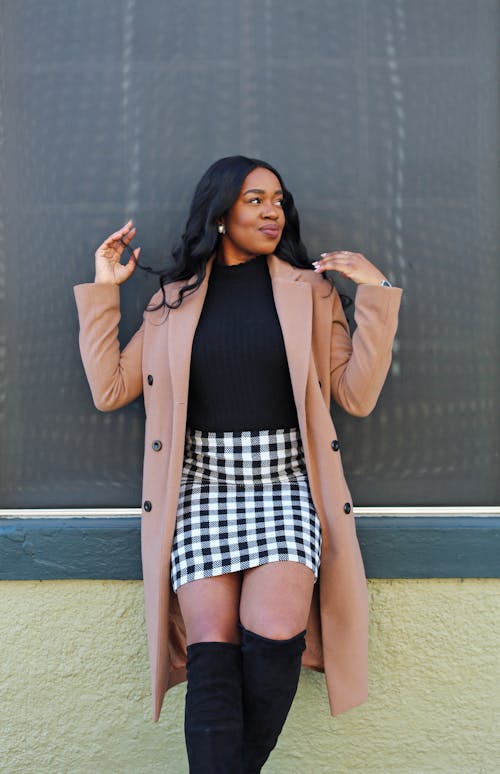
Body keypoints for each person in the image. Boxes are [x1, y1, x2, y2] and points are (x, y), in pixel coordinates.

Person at [74, 155, 403, 773]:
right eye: (254, 200)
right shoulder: (173, 300)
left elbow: (355, 395)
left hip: (282, 485)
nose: (271, 210)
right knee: (212, 656)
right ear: (221, 213)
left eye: (277, 199)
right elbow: (110, 388)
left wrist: (376, 295)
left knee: (276, 633)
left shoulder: (311, 292)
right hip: (201, 489)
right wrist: (103, 290)